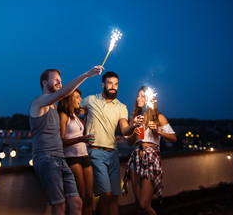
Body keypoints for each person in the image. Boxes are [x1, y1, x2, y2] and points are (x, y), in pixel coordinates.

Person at [29, 66, 103, 215]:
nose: (59, 83)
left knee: (77, 203)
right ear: (44, 83)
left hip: (61, 159)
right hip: (46, 159)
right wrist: (86, 74)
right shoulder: (38, 102)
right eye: (55, 79)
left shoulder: (54, 107)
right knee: (60, 206)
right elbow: (64, 93)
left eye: (60, 81)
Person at [80, 71, 140, 215]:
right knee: (105, 195)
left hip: (113, 154)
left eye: (116, 84)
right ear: (103, 84)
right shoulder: (89, 100)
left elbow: (125, 130)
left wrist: (134, 125)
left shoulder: (121, 107)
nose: (113, 86)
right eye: (110, 83)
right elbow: (73, 113)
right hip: (95, 152)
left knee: (114, 198)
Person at [122, 86, 177, 215]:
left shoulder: (159, 117)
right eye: (138, 95)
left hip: (150, 158)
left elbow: (173, 138)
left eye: (142, 96)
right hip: (136, 158)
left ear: (150, 99)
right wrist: (134, 132)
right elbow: (130, 143)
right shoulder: (136, 118)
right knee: (138, 204)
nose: (138, 98)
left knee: (144, 204)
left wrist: (157, 131)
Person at [58, 89, 94, 215]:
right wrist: (81, 139)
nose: (80, 100)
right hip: (72, 158)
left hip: (84, 155)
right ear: (69, 99)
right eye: (77, 97)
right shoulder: (63, 115)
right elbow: (61, 140)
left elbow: (79, 131)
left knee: (90, 197)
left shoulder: (75, 115)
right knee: (81, 196)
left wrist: (85, 117)